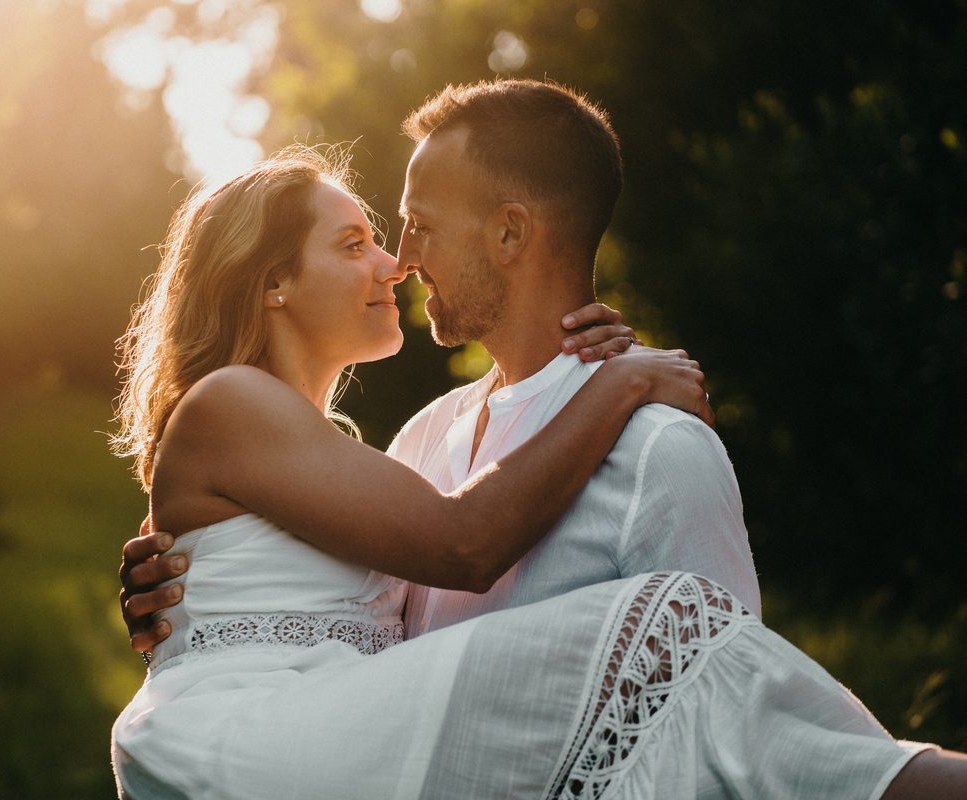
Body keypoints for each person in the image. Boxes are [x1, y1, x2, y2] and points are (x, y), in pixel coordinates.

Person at [107, 121, 965, 796]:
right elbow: (460, 545)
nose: (395, 263)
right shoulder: (235, 402)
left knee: (702, 669)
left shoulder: (338, 447)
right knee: (667, 625)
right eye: (353, 243)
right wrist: (618, 385)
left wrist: (589, 384)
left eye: (392, 236)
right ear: (270, 283)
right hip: (261, 735)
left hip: (311, 728)